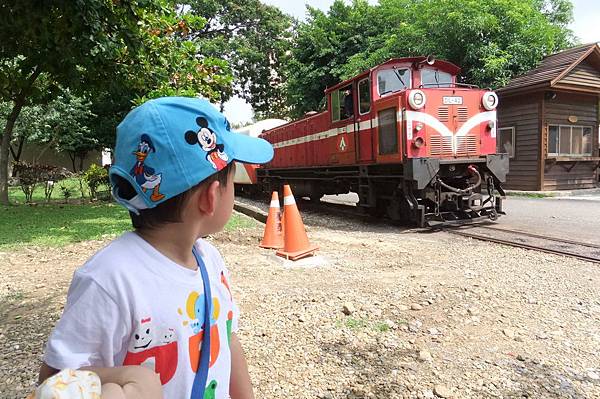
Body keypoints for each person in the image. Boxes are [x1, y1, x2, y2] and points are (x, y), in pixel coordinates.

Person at [37, 97, 274, 398]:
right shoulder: (110, 280)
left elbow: (226, 340)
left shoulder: (209, 260)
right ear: (211, 197)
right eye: (233, 180)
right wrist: (125, 380)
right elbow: (53, 379)